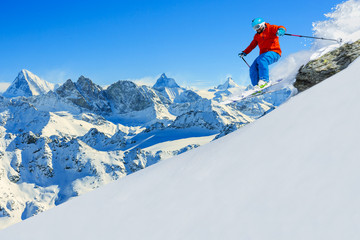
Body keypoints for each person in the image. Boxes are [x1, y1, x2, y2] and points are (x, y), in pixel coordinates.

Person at [239, 18, 286, 88]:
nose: (256, 29)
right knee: (252, 67)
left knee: (262, 60)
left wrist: (281, 30)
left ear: (262, 24)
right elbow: (252, 45)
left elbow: (280, 27)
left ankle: (264, 81)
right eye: (254, 28)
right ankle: (256, 86)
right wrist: (244, 52)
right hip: (263, 55)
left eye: (257, 27)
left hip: (275, 52)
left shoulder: (271, 28)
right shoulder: (257, 36)